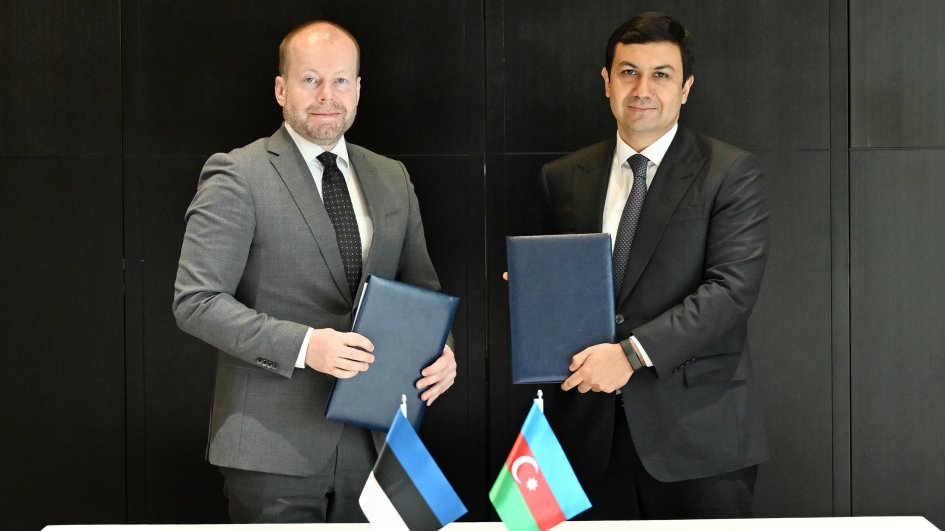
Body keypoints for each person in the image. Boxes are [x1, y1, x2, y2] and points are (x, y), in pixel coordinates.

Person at [172, 20, 456, 523]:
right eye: (310, 80)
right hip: (271, 448)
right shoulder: (237, 174)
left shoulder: (392, 176)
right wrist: (307, 346)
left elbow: (421, 289)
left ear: (358, 89)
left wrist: (442, 349)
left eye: (341, 80)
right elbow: (196, 302)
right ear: (281, 90)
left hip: (377, 443)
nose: (328, 95)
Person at [539, 12, 769, 519]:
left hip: (698, 438)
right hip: (586, 438)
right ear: (607, 82)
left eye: (661, 74)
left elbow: (731, 292)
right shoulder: (563, 177)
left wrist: (630, 355)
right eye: (629, 72)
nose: (642, 89)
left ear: (685, 88)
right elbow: (566, 291)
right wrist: (537, 292)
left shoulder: (730, 172)